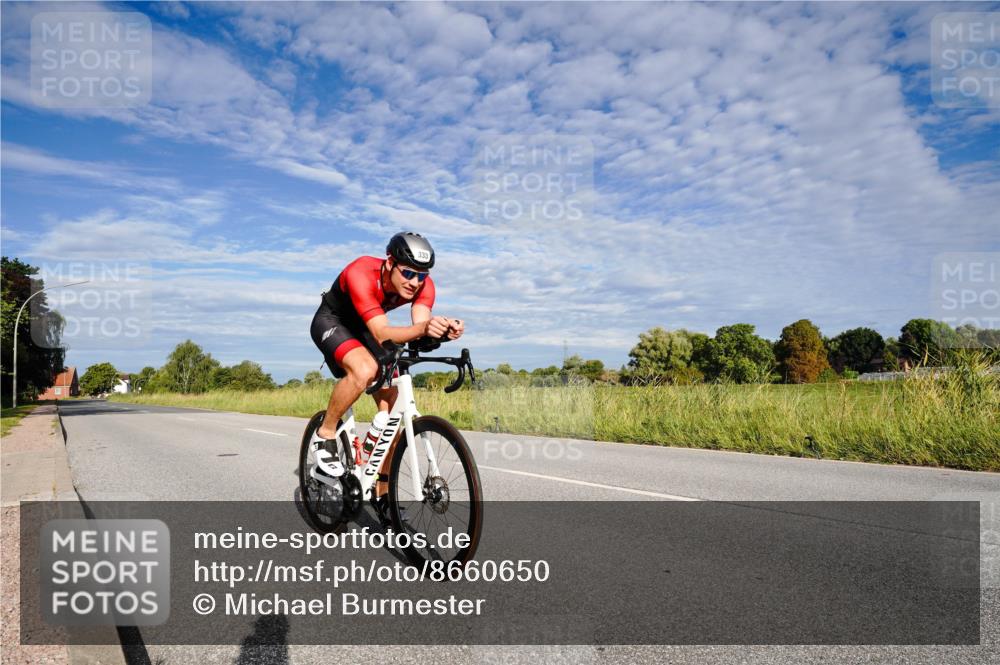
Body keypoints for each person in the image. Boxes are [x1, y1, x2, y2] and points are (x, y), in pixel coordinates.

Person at [308, 232, 464, 487]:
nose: (415, 282)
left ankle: (381, 493)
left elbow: (421, 325)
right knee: (364, 369)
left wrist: (442, 330)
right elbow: (382, 333)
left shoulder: (424, 285)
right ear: (389, 263)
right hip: (333, 321)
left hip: (366, 327)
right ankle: (324, 434)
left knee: (393, 412)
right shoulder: (361, 272)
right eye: (408, 273)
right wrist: (425, 329)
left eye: (422, 275)